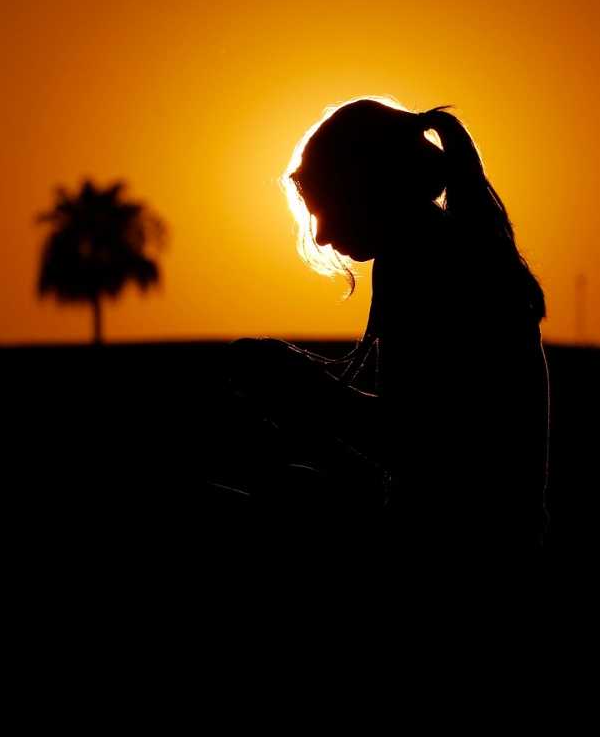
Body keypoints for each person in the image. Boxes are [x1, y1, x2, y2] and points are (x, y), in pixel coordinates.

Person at [229, 97, 550, 547]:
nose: (319, 234)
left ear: (366, 186)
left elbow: (417, 446)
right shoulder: (451, 251)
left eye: (323, 205)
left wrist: (298, 383)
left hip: (471, 549)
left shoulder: (423, 264)